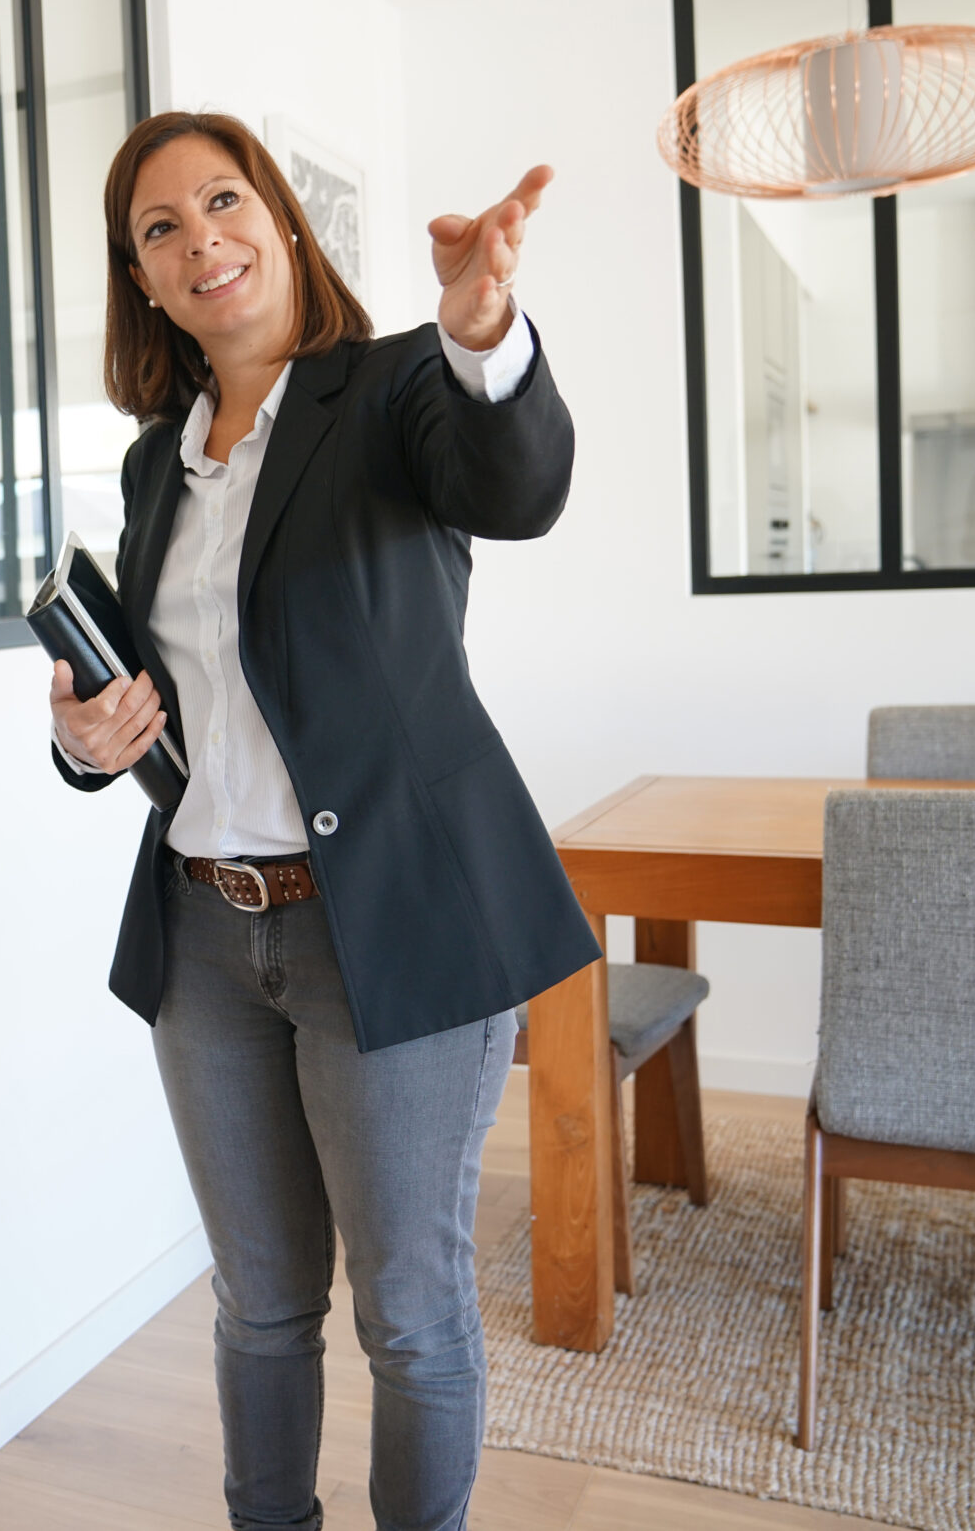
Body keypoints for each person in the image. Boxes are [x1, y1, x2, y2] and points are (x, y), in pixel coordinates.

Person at [47, 112, 596, 1531]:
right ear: (145, 282)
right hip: (206, 941)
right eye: (160, 230)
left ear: (283, 225)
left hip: (388, 931)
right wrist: (86, 742)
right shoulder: (155, 467)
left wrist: (483, 334)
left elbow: (516, 487)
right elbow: (182, 715)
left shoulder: (403, 390)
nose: (200, 240)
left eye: (223, 203)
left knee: (406, 1309)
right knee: (259, 1305)